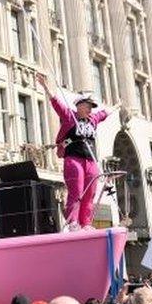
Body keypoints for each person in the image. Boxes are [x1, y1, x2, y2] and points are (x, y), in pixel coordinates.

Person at [37, 74, 116, 230]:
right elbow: (56, 103)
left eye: (91, 107)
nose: (89, 109)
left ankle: (86, 223)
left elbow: (105, 113)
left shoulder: (93, 119)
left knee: (90, 192)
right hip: (74, 159)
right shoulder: (70, 117)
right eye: (87, 105)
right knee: (77, 190)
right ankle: (73, 222)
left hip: (91, 160)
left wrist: (118, 106)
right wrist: (46, 88)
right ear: (79, 105)